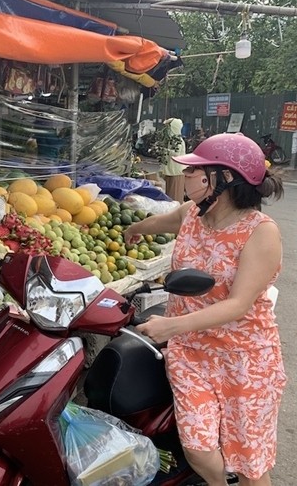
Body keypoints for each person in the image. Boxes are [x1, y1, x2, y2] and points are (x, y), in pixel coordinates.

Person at [124, 133, 285, 486]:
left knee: (248, 462)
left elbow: (239, 304)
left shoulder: (261, 233)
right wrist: (133, 230)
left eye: (198, 171)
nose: (189, 177)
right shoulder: (193, 214)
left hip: (244, 358)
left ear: (223, 179)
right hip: (192, 353)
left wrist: (171, 327)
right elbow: (161, 222)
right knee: (197, 448)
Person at [161, 117, 186, 202]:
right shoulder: (171, 140)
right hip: (171, 171)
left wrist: (164, 150)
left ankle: (176, 212)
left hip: (176, 172)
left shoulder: (178, 140)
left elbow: (176, 153)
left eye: (169, 127)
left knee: (175, 196)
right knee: (169, 194)